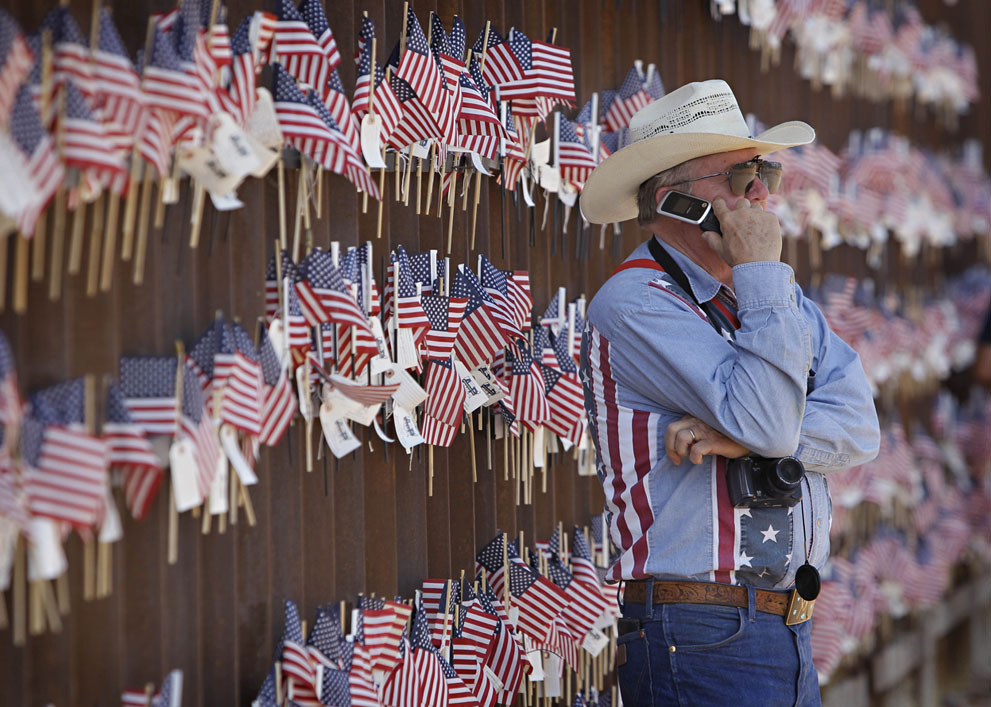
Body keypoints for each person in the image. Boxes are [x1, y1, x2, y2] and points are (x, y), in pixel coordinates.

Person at [578, 80, 880, 706]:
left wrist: (737, 443)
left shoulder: (773, 300)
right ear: (677, 203)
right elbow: (770, 426)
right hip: (700, 632)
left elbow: (859, 427)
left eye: (762, 170)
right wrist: (763, 275)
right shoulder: (637, 302)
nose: (761, 192)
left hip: (784, 624)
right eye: (739, 177)